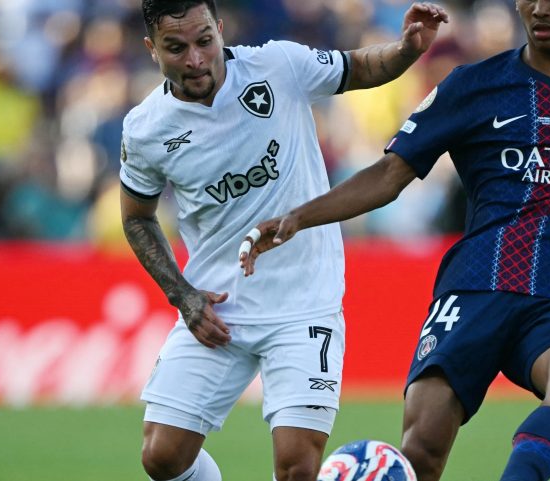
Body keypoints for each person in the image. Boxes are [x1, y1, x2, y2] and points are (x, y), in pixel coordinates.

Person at [240, 0, 550, 480]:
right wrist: (298, 217)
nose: (538, 8)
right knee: (421, 451)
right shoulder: (471, 86)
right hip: (478, 286)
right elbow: (391, 174)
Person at [119, 1, 448, 481]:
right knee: (162, 456)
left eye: (204, 41)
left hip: (304, 305)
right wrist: (182, 294)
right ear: (152, 49)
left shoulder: (277, 66)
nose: (195, 59)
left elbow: (359, 66)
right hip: (218, 307)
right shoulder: (146, 129)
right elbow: (137, 219)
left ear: (220, 30)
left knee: (297, 467)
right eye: (176, 47)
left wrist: (404, 49)